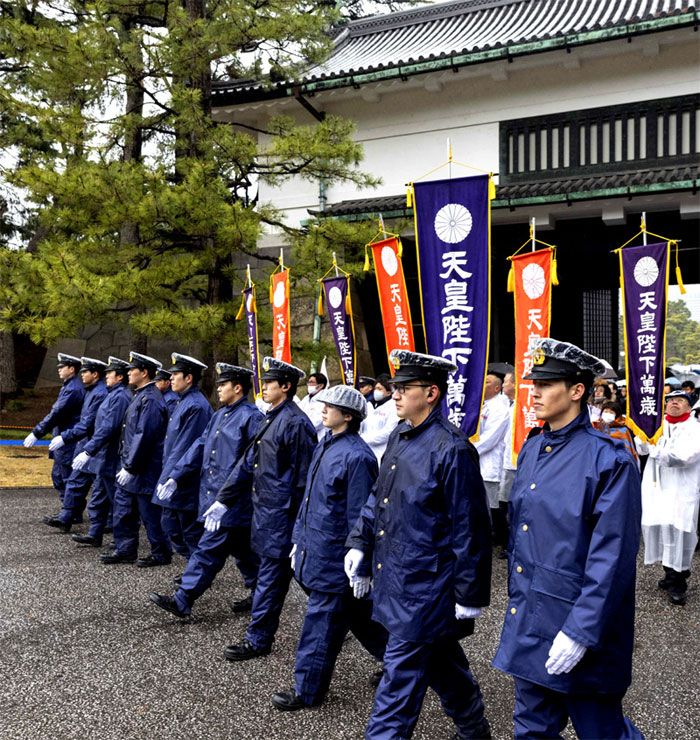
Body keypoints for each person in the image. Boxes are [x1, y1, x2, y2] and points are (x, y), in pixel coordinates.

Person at [493, 338, 643, 739]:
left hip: (580, 624)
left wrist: (580, 631)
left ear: (577, 391)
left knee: (601, 731)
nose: (534, 392)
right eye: (532, 384)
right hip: (532, 617)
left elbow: (611, 559)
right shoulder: (534, 447)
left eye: (546, 384)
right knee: (531, 730)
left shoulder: (610, 460)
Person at [346, 349, 493, 740]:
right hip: (398, 573)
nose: (394, 394)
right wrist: (359, 543)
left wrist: (469, 592)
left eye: (404, 388)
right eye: (394, 387)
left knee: (397, 684)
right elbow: (380, 495)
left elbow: (471, 526)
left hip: (428, 586)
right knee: (445, 665)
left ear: (431, 393)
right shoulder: (400, 435)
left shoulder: (452, 449)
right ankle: (475, 731)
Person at [272, 385, 386, 711]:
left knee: (320, 625)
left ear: (347, 416)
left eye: (330, 406)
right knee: (362, 618)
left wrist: (363, 566)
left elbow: (362, 516)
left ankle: (307, 689)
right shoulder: (326, 444)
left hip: (335, 559)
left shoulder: (358, 457)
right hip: (316, 549)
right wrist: (298, 540)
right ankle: (400, 661)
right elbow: (309, 502)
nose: (322, 409)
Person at [205, 357, 317, 661]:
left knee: (279, 582)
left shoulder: (295, 423)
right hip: (268, 515)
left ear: (286, 386)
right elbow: (247, 463)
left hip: (283, 517)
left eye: (269, 382)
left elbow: (304, 481)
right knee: (312, 590)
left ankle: (257, 639)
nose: (263, 387)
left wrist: (299, 528)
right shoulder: (271, 417)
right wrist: (223, 499)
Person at [149, 363, 264, 618]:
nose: (219, 389)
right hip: (214, 495)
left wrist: (229, 497)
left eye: (224, 385)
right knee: (243, 550)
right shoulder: (220, 414)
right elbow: (200, 445)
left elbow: (252, 462)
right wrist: (176, 476)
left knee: (207, 550)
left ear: (238, 387)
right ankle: (260, 592)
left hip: (232, 499)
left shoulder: (251, 417)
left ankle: (183, 599)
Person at [101, 352, 171, 567]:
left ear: (145, 373)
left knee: (149, 514)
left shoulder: (150, 399)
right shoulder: (140, 395)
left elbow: (144, 435)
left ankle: (160, 553)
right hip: (131, 464)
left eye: (133, 369)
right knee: (124, 510)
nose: (129, 372)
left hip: (143, 467)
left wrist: (130, 466)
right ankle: (125, 549)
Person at [638, 390, 700, 606]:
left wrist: (655, 451)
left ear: (689, 406)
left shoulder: (694, 428)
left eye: (680, 400)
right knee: (663, 529)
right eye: (670, 400)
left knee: (681, 532)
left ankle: (679, 583)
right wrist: (642, 437)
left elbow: (684, 457)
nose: (674, 402)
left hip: (681, 490)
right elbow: (641, 447)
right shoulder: (656, 423)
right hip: (658, 489)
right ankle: (668, 573)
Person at [154, 353, 213, 560]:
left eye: (175, 374)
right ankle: (195, 568)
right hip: (175, 476)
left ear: (189, 378)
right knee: (171, 526)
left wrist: (172, 477)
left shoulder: (196, 405)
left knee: (188, 531)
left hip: (185, 479)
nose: (171, 378)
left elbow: (187, 447)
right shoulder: (184, 401)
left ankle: (196, 570)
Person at [71, 357, 132, 547]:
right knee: (99, 498)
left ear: (119, 377)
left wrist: (88, 450)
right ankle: (95, 533)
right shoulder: (112, 394)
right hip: (103, 457)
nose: (106, 377)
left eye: (110, 374)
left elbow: (108, 427)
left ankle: (122, 541)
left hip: (111, 456)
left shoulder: (121, 396)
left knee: (118, 502)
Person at [42, 357, 108, 532]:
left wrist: (65, 437)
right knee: (74, 481)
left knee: (103, 488)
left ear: (95, 374)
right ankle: (66, 517)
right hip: (85, 444)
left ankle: (105, 524)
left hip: (95, 447)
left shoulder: (100, 393)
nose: (82, 375)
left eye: (85, 372)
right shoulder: (91, 391)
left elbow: (89, 424)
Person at [24, 353, 85, 503]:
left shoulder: (73, 389)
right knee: (58, 476)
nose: (59, 369)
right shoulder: (69, 386)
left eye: (62, 367)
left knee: (66, 478)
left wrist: (37, 432)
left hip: (67, 439)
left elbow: (56, 413)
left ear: (71, 369)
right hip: (63, 437)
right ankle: (68, 510)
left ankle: (71, 512)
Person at [474, 370, 511, 547]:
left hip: (490, 464)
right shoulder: (481, 404)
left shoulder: (500, 409)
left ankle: (503, 541)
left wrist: (468, 450)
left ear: (497, 388)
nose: (483, 384)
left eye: (487, 382)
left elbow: (490, 438)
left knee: (494, 507)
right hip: (478, 462)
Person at [498, 372, 517, 558]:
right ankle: (508, 544)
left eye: (506, 382)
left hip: (515, 463)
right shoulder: (508, 404)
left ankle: (513, 545)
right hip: (505, 462)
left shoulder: (521, 406)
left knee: (512, 506)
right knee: (504, 505)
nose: (504, 385)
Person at [361, 373, 399, 462]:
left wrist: (366, 439)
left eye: (380, 389)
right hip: (365, 450)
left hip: (382, 451)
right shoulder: (368, 405)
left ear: (389, 392)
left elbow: (388, 432)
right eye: (375, 388)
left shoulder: (393, 407)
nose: (376, 391)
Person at [593, 401, 638, 465]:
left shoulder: (623, 431)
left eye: (611, 412)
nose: (608, 414)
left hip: (617, 464)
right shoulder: (594, 427)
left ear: (617, 415)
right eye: (605, 411)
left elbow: (627, 452)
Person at [298, 371, 328, 441]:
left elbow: (316, 423)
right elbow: (297, 413)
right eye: (308, 382)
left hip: (318, 438)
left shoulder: (324, 401)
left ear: (320, 385)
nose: (308, 385)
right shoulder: (306, 398)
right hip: (304, 435)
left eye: (311, 382)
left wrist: (300, 426)